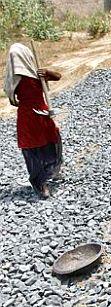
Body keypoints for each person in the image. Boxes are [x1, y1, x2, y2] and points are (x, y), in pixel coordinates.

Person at [3, 43, 62, 199]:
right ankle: (39, 183)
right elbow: (10, 96)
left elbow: (58, 76)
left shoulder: (37, 73)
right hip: (27, 117)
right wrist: (13, 90)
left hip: (42, 113)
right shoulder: (13, 79)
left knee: (51, 142)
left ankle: (51, 171)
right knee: (32, 148)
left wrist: (48, 72)